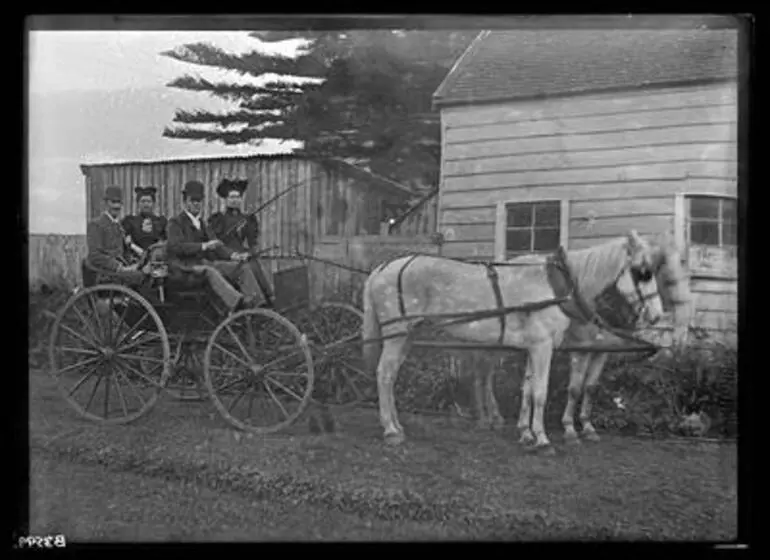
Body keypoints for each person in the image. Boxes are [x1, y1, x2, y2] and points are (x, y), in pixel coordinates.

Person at [166, 180, 263, 313]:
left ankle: (255, 302)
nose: (196, 204)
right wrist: (203, 246)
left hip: (203, 264)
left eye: (199, 200)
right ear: (185, 202)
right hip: (184, 268)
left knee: (241, 267)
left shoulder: (202, 224)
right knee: (211, 272)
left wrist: (234, 255)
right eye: (192, 200)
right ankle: (237, 305)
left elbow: (217, 244)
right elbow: (175, 247)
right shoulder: (175, 223)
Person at [208, 178, 276, 308]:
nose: (235, 200)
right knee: (247, 266)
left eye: (238, 197)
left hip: (243, 256)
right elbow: (215, 245)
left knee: (256, 264)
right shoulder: (217, 219)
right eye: (232, 197)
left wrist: (250, 253)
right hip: (224, 257)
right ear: (226, 199)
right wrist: (233, 255)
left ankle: (269, 299)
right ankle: (255, 303)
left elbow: (252, 243)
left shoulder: (247, 219)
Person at [85, 185, 144, 285]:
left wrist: (132, 261)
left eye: (119, 203)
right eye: (113, 202)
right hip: (106, 274)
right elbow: (95, 255)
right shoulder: (96, 225)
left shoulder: (118, 226)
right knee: (142, 278)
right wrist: (119, 267)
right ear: (106, 203)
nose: (116, 206)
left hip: (118, 271)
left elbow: (122, 252)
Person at [122, 186, 167, 260]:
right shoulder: (130, 222)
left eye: (149, 201)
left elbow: (166, 241)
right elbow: (126, 241)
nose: (146, 204)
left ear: (153, 203)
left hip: (157, 260)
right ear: (138, 203)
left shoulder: (161, 222)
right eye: (143, 201)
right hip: (135, 259)